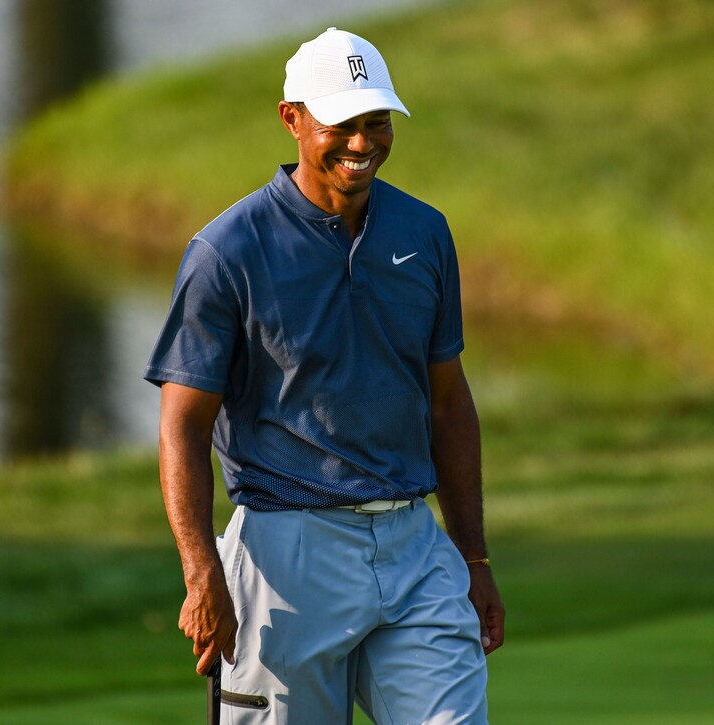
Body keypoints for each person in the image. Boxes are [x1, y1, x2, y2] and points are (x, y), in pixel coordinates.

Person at [145, 26, 504, 724]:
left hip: (412, 544)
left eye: (377, 123)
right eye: (343, 124)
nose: (362, 143)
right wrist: (201, 569)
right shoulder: (227, 251)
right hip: (286, 557)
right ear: (293, 119)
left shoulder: (424, 232)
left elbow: (449, 402)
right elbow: (182, 425)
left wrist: (475, 558)